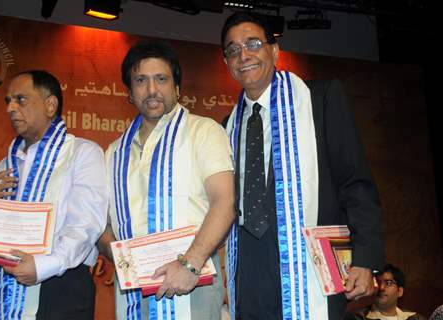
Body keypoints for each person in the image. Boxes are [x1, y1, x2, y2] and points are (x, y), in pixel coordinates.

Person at [220, 12, 385, 320]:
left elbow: (355, 183)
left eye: (253, 43)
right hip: (249, 275)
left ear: (275, 50)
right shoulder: (227, 126)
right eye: (233, 49)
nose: (243, 55)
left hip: (311, 269)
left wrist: (365, 259)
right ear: (227, 63)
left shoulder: (319, 99)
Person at [97, 41, 236, 319]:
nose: (151, 90)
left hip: (192, 284)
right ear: (129, 93)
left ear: (177, 88)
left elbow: (226, 201)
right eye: (141, 81)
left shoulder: (204, 132)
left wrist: (191, 264)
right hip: (133, 293)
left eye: (161, 79)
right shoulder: (114, 151)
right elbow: (101, 225)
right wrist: (126, 261)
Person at [0, 70, 108, 319]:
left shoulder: (82, 153)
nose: (10, 109)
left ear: (50, 105)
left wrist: (44, 265)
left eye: (21, 99)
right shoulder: (5, 165)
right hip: (3, 286)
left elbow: (87, 225)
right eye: (8, 101)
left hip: (61, 285)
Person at [346, 263, 427, 320]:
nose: (381, 288)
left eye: (388, 283)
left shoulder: (416, 318)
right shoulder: (358, 317)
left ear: (400, 291)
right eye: (378, 282)